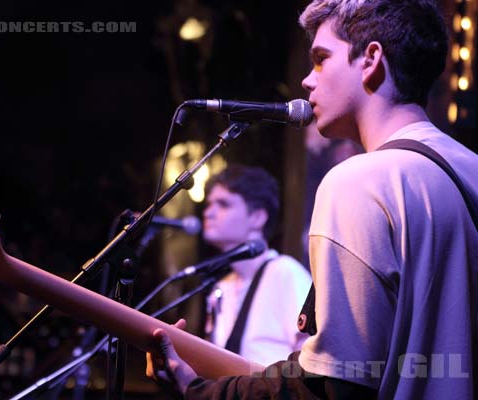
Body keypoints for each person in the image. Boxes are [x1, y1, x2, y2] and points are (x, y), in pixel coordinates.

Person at [145, 0, 478, 399]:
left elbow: (335, 386)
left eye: (321, 59)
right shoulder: (470, 168)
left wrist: (197, 390)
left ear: (371, 59)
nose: (306, 81)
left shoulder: (358, 183)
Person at [201, 164, 311, 366]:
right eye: (209, 204)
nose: (209, 213)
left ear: (257, 217)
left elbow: (310, 363)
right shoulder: (221, 287)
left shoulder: (285, 272)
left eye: (223, 204)